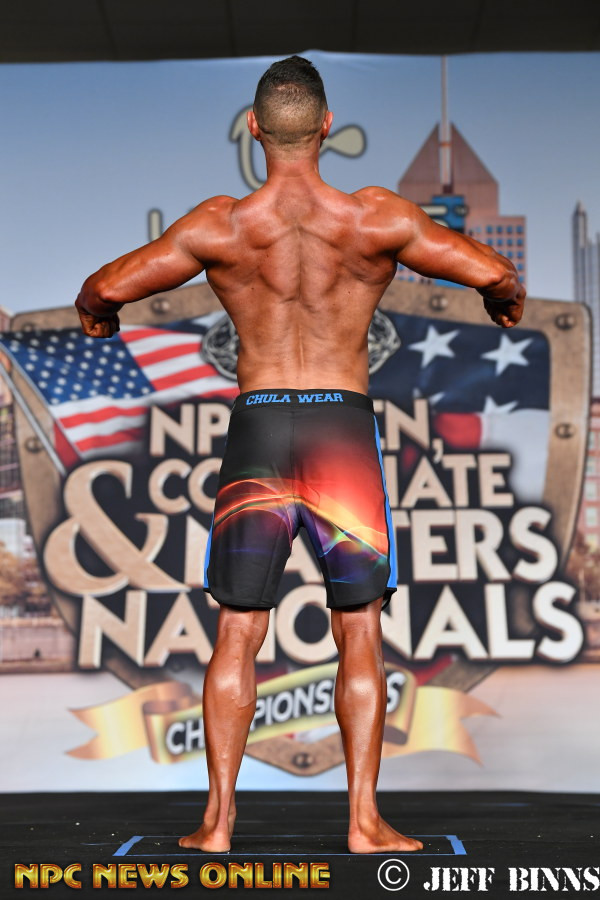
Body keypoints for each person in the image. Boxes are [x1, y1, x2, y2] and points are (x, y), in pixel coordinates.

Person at [75, 55, 525, 854]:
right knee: (360, 631)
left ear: (254, 128)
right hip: (339, 434)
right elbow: (495, 271)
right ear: (326, 128)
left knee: (237, 630)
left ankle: (217, 824)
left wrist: (99, 320)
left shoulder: (220, 226)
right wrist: (503, 302)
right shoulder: (373, 218)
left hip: (259, 430)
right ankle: (362, 823)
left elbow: (104, 287)